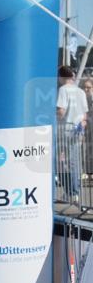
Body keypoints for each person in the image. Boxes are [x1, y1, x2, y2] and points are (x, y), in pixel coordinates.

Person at [57, 66, 87, 202]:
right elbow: (85, 114)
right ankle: (73, 192)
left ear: (62, 77)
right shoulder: (81, 91)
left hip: (65, 131)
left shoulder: (63, 90)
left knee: (62, 163)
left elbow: (61, 111)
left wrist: (51, 116)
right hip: (78, 129)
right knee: (74, 162)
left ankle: (71, 192)